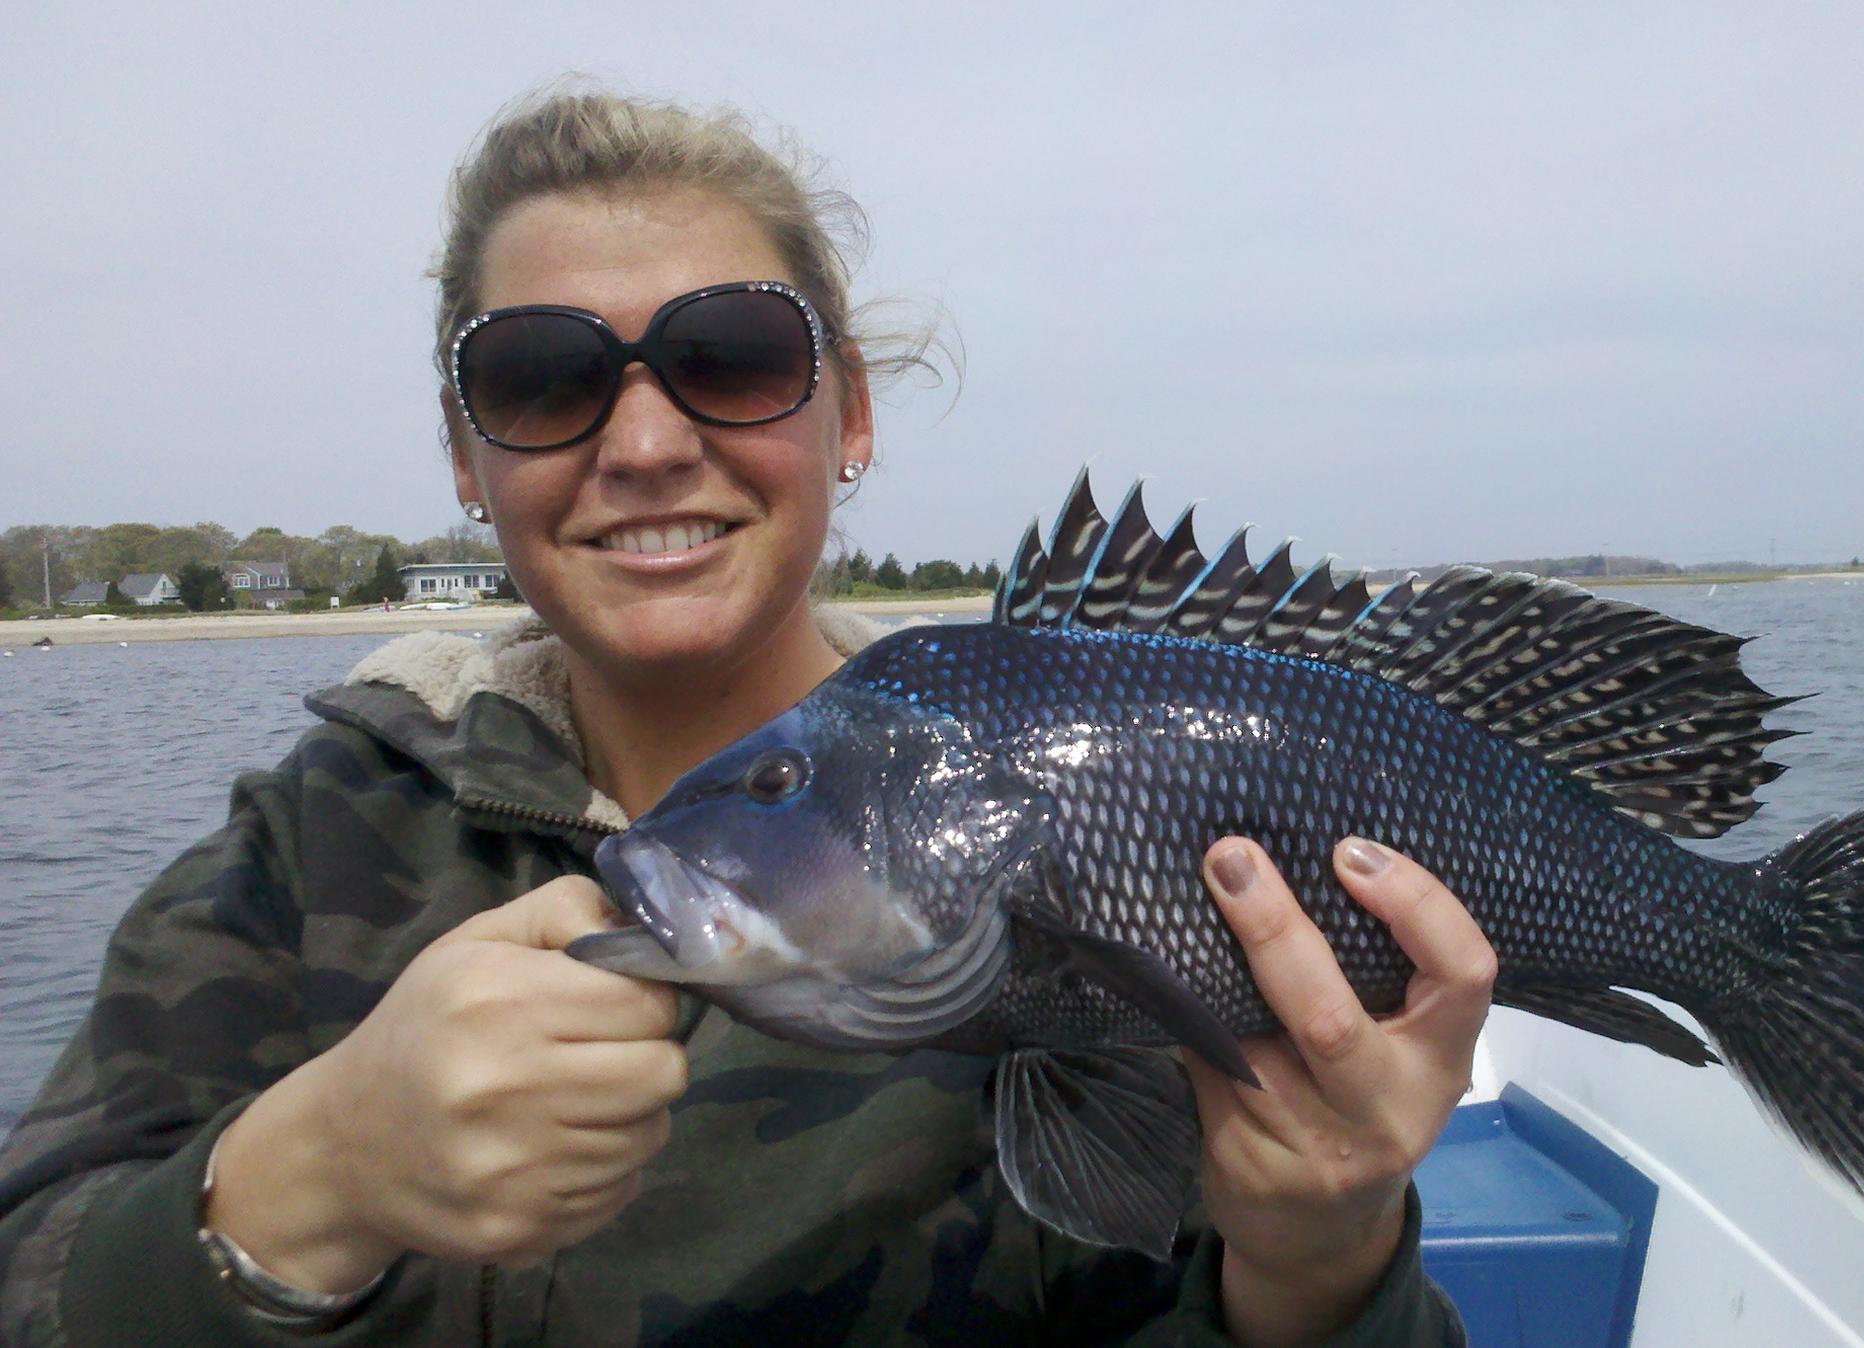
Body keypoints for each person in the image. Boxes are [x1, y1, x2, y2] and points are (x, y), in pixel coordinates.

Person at [0, 89, 1487, 1346]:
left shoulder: (1101, 825)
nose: (645, 444)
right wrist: (309, 1177)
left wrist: (1315, 1257)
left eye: (732, 359)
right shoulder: (308, 846)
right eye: (539, 380)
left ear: (846, 416)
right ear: (467, 457)